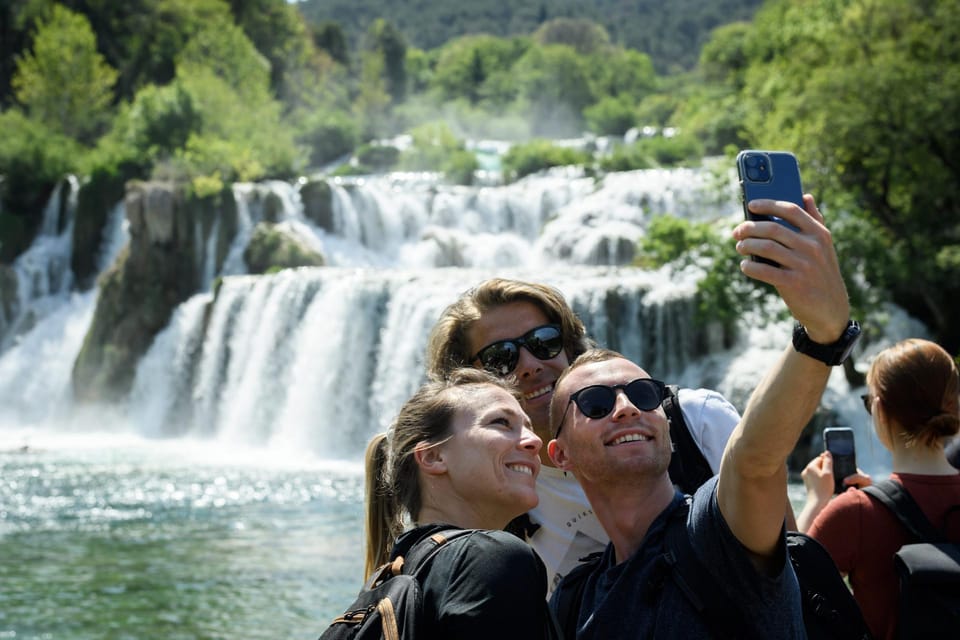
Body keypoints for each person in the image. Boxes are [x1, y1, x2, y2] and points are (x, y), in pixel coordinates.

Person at [546, 193, 860, 637]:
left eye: (644, 393)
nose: (628, 407)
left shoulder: (719, 530)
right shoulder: (573, 599)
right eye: (596, 402)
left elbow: (753, 459)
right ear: (560, 455)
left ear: (668, 428)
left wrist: (821, 335)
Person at [425, 277, 743, 594]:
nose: (530, 365)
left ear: (569, 347)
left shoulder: (696, 420)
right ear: (471, 383)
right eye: (500, 357)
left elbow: (786, 563)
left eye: (544, 341)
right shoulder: (494, 485)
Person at [363, 367, 559, 638]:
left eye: (528, 427)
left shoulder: (395, 573)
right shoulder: (492, 557)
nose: (535, 441)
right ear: (433, 457)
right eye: (501, 423)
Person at [797, 338, 960, 640]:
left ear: (880, 410)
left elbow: (790, 591)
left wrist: (816, 502)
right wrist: (885, 500)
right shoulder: (862, 510)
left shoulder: (855, 514)